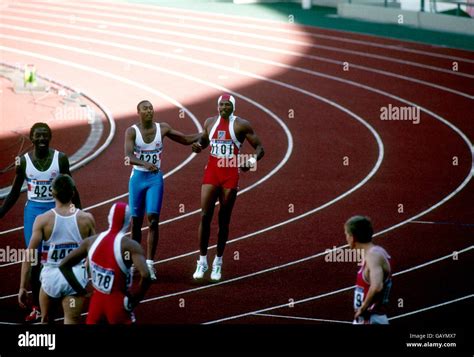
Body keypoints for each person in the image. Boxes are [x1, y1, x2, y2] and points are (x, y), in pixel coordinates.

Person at [1, 122, 81, 322]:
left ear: (50, 137)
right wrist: (1, 212)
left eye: (45, 135)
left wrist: (78, 213)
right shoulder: (23, 162)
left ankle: (60, 295)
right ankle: (37, 306)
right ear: (31, 138)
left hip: (56, 211)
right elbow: (14, 192)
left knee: (58, 256)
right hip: (34, 213)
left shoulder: (60, 159)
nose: (42, 139)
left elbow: (71, 188)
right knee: (35, 260)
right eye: (38, 136)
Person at [191, 94, 264, 281]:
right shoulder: (209, 122)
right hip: (212, 172)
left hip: (230, 174)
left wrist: (251, 161)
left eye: (226, 105)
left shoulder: (241, 125)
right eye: (221, 105)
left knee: (223, 219)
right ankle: (202, 261)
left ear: (233, 107)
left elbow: (260, 148)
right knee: (205, 215)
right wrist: (199, 146)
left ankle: (218, 262)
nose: (223, 107)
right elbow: (205, 140)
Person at [124, 100, 200, 280]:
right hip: (137, 179)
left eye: (151, 108)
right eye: (145, 109)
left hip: (155, 179)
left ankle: (149, 264)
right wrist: (145, 164)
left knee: (153, 220)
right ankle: (136, 262)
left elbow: (186, 139)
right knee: (136, 222)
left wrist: (204, 134)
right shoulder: (132, 131)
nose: (149, 111)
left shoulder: (162, 128)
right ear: (138, 112)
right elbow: (128, 157)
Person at [18, 174, 94, 324]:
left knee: (46, 319)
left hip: (51, 278)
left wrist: (22, 287)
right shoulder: (87, 219)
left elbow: (29, 256)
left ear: (52, 193)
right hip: (75, 278)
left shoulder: (43, 220)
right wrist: (88, 273)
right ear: (73, 193)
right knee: (71, 320)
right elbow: (94, 253)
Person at [59, 202, 151, 324]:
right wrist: (135, 300)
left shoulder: (91, 241)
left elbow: (64, 265)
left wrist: (80, 291)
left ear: (109, 218)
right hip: (118, 303)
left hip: (96, 302)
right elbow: (146, 275)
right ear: (129, 222)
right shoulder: (130, 246)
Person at [344, 216, 392, 325]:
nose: (346, 238)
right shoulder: (377, 252)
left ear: (352, 238)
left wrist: (363, 308)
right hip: (370, 318)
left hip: (370, 319)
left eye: (346, 234)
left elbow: (377, 286)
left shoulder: (373, 256)